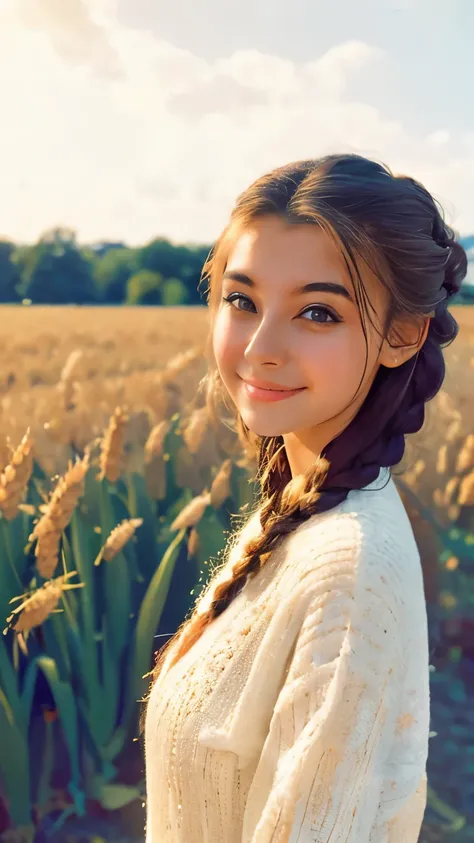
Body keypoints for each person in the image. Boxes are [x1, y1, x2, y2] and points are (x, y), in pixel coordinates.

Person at [141, 153, 468, 842]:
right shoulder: (296, 506)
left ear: (403, 335)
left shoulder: (346, 575)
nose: (260, 347)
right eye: (242, 300)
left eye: (317, 312)